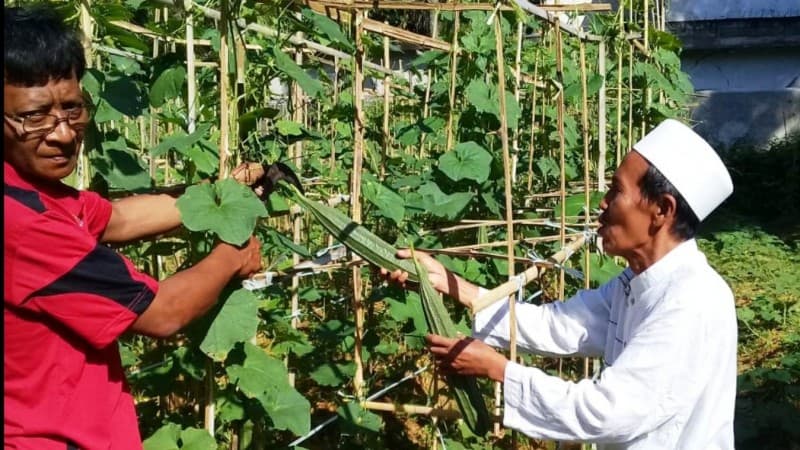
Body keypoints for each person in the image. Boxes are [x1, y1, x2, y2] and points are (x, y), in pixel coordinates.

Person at [4, 5, 266, 449]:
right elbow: (163, 313)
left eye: (73, 109)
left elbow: (120, 217)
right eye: (35, 116)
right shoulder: (23, 227)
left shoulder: (28, 190)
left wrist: (225, 191)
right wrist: (233, 255)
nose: (63, 133)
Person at [384, 118, 736, 449]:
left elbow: (606, 413)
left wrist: (499, 370)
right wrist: (449, 284)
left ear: (662, 210)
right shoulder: (637, 282)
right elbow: (559, 325)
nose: (603, 203)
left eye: (616, 191)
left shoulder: (690, 303)